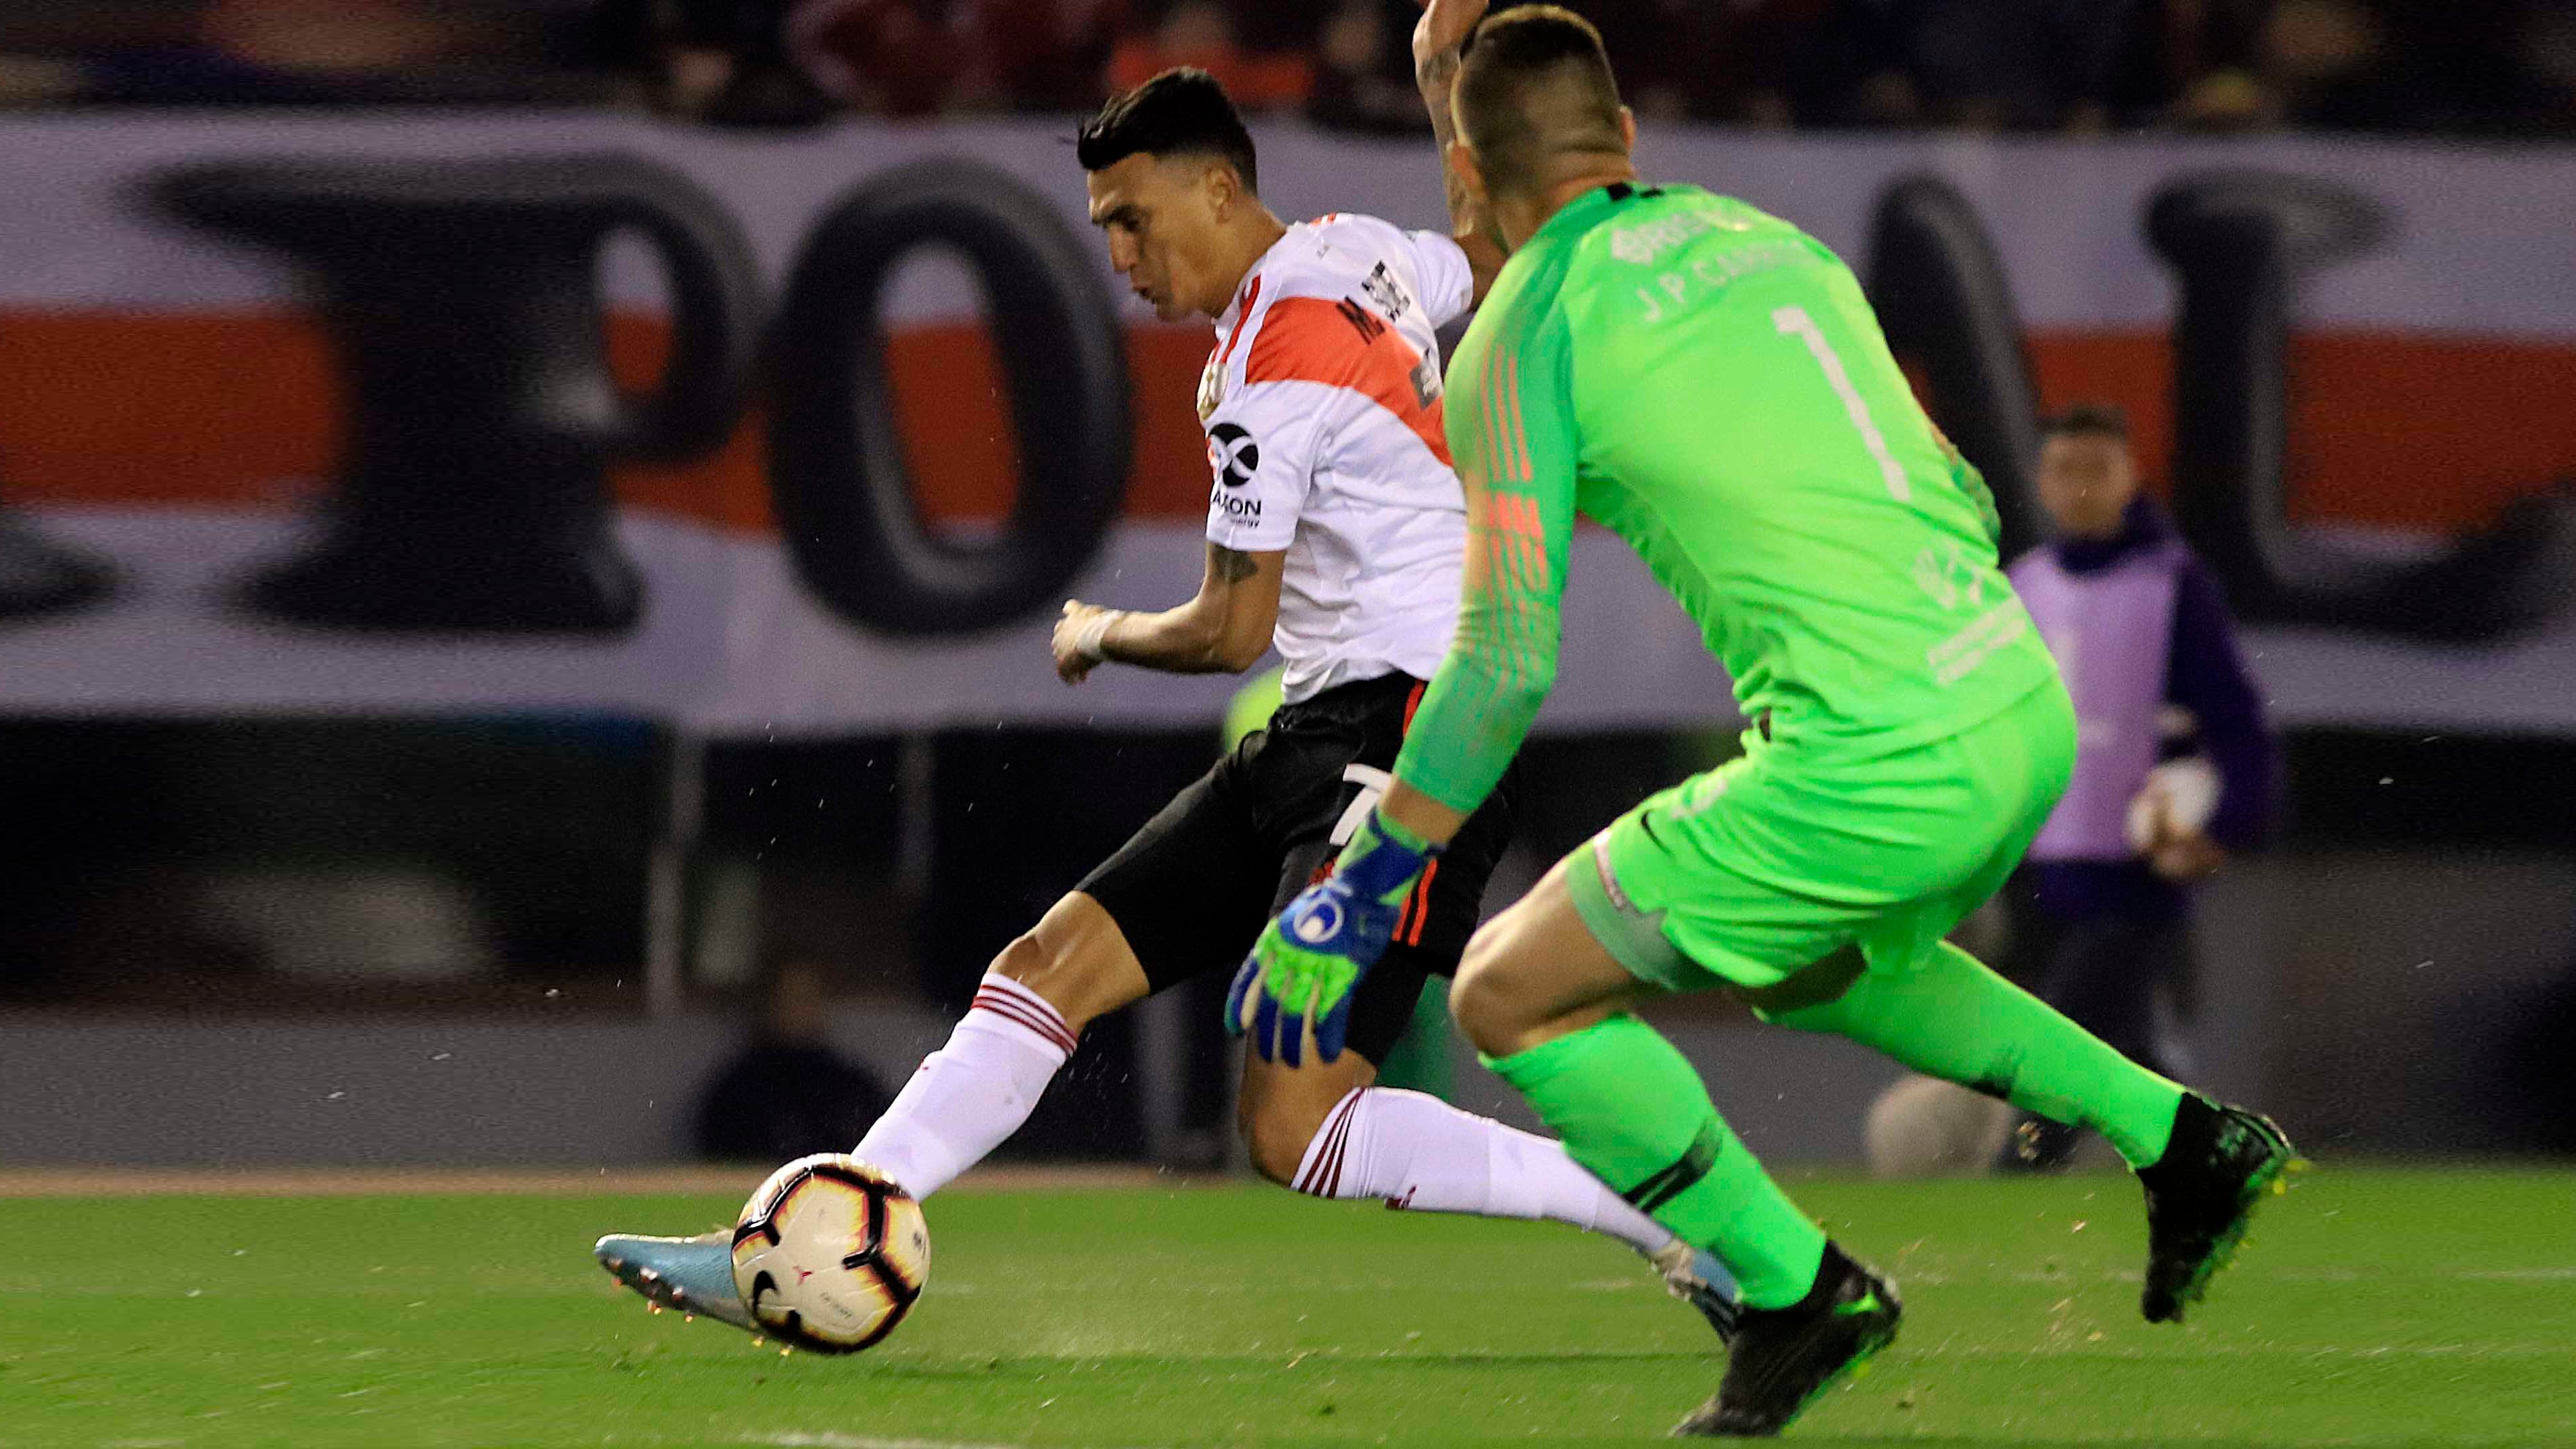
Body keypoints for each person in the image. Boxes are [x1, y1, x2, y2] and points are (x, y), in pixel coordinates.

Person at [1235, 5, 2296, 1435]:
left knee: (1508, 993)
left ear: (1469, 185)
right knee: (1821, 965)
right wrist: (1452, 92)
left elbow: (1501, 664)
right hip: (2010, 693)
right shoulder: (1771, 243)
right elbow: (1970, 495)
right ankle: (2183, 1138)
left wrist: (1359, 888)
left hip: (1871, 762)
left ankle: (1799, 1294)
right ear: (1624, 136)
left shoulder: (1521, 338)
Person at [595, 64, 1740, 1339]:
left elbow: (1225, 628)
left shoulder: (1268, 368)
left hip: (1416, 730)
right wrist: (1438, 81)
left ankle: (1676, 1217)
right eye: (1103, 229)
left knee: (1292, 1126)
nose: (1121, 254)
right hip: (1328, 723)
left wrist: (1101, 631)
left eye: (1133, 219)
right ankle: (801, 1239)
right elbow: (1476, 247)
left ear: (1215, 186)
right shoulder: (1354, 252)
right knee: (1048, 967)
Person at [1996, 403, 2275, 1171]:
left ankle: (2014, 1170)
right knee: (2130, 1042)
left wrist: (2224, 828)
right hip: (2043, 855)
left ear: (2130, 477)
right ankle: (2218, 1163)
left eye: (2097, 468)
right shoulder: (2025, 584)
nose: (2079, 487)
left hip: (2136, 860)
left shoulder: (2170, 582)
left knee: (2066, 1029)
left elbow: (2234, 716)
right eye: (2063, 469)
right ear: (2040, 482)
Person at [695, 957, 896, 1163]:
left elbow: (889, 1150)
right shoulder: (738, 1093)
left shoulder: (853, 1086)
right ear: (767, 1004)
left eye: (806, 997)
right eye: (787, 997)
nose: (798, 1008)